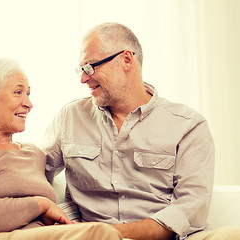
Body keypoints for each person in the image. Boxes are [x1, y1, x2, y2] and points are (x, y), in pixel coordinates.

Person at [42, 22, 240, 240]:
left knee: (231, 235)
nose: (83, 78)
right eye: (81, 69)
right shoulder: (70, 117)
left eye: (89, 67)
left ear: (126, 60)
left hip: (169, 238)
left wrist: (111, 233)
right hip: (92, 238)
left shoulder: (188, 125)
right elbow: (35, 172)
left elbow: (189, 208)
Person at [0, 58, 123, 240]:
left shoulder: (33, 154)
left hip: (37, 234)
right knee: (101, 234)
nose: (29, 104)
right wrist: (41, 204)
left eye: (28, 94)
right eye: (18, 92)